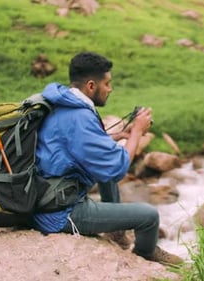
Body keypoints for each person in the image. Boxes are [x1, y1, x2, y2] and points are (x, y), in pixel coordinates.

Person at [33, 51, 183, 266]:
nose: (110, 89)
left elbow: (73, 141)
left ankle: (116, 231)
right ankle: (145, 256)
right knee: (149, 216)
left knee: (107, 161)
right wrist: (137, 132)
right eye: (108, 84)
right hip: (59, 212)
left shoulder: (63, 102)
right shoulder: (80, 117)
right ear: (91, 86)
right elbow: (118, 168)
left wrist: (117, 136)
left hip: (47, 194)